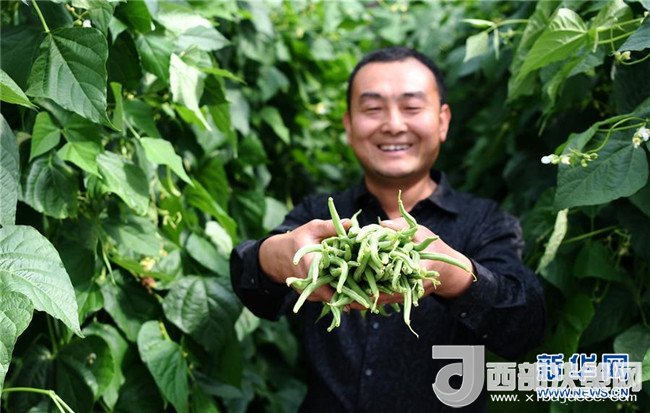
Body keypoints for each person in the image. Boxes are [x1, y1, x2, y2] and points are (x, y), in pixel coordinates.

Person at [230, 46, 546, 412]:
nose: (394, 124)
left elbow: (525, 325)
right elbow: (250, 284)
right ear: (349, 125)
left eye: (411, 107)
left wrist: (452, 273)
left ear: (442, 121)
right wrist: (277, 257)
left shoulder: (486, 221)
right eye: (373, 109)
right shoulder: (315, 217)